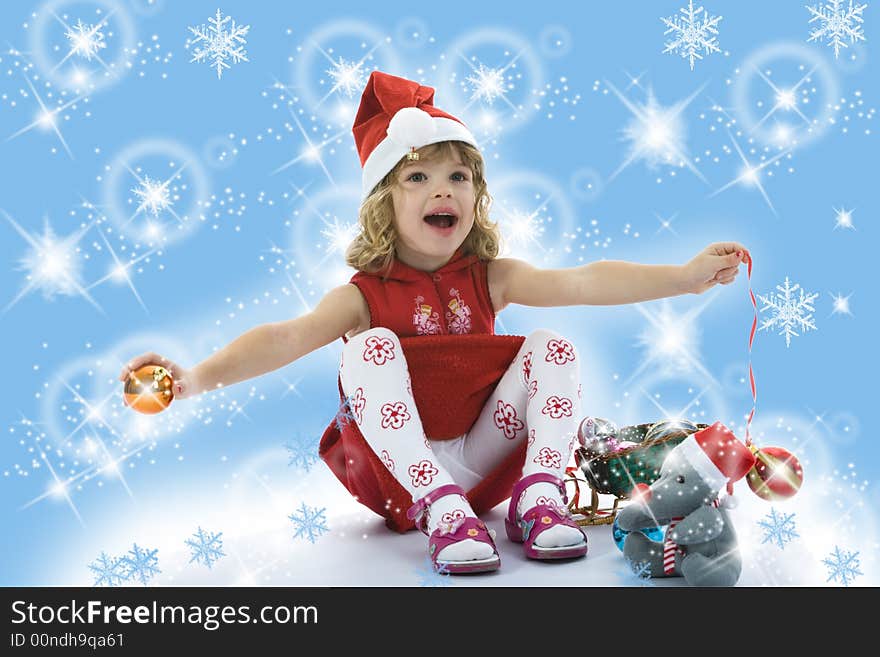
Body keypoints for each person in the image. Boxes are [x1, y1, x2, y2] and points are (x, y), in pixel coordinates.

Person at [120, 71, 748, 575]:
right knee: (367, 349)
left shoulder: (489, 277)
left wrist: (684, 276)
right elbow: (284, 337)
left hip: (479, 462)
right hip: (402, 481)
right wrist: (195, 378)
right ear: (383, 206)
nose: (441, 190)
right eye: (416, 177)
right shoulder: (364, 296)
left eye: (458, 176)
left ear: (476, 198)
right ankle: (439, 508)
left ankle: (540, 498)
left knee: (553, 345)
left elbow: (585, 280)